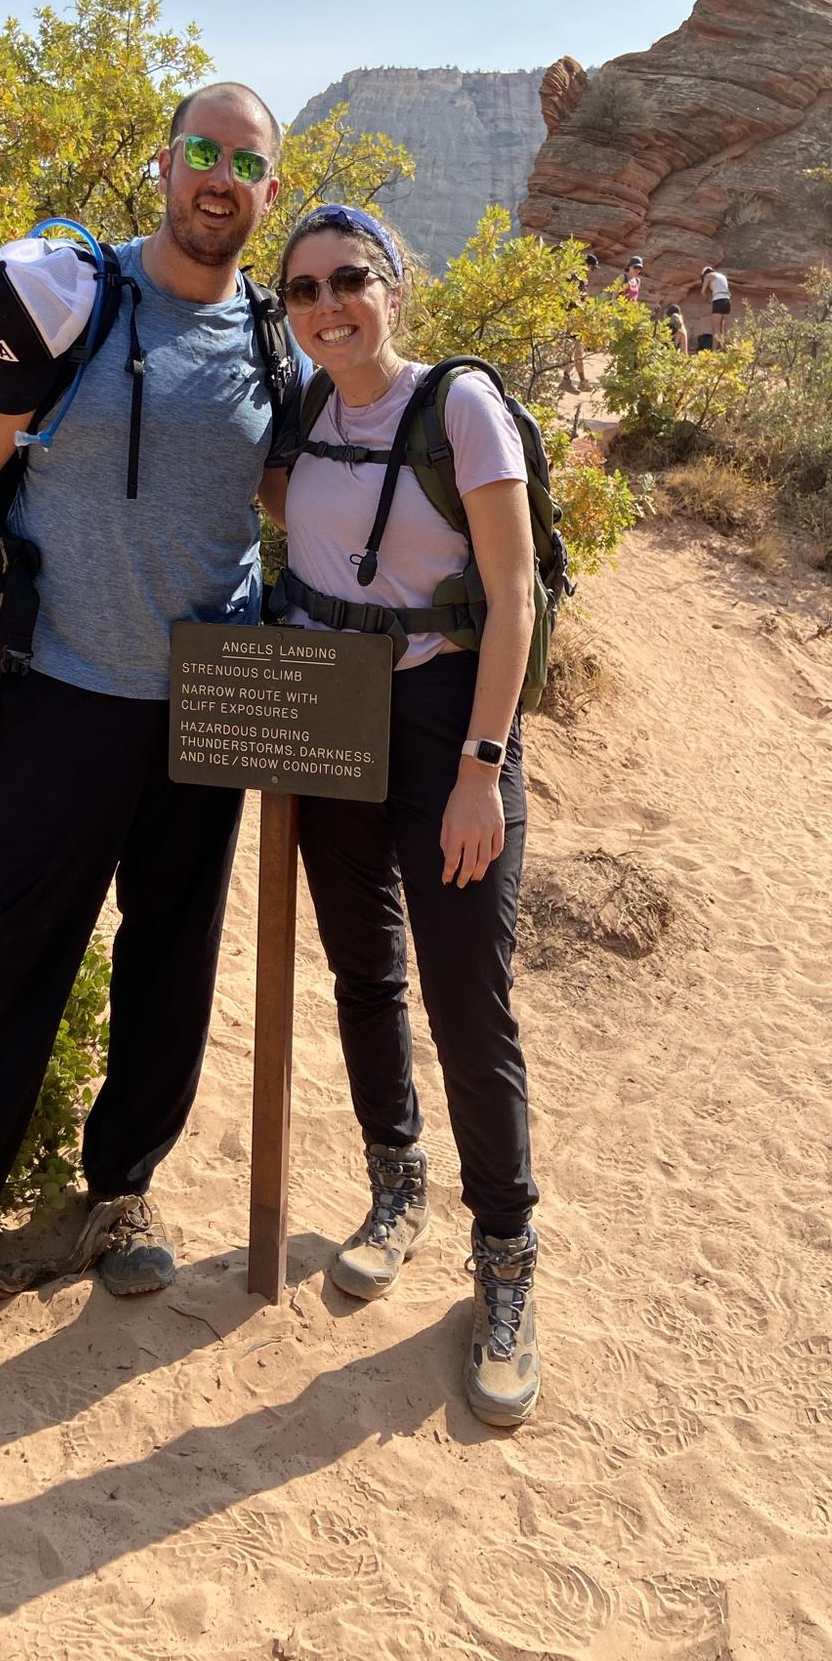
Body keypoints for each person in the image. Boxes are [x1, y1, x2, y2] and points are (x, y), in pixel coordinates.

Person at [0, 82, 296, 1414]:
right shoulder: (66, 299)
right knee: (9, 970)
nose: (220, 177)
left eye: (249, 162)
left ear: (269, 191)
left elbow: (299, 501)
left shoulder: (275, 343)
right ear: (165, 163)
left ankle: (119, 1196)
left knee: (170, 965)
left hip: (210, 701)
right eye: (204, 152)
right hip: (59, 692)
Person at [269, 204, 541, 1428]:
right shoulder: (303, 410)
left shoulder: (459, 409)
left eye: (350, 280)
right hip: (333, 708)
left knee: (466, 994)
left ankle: (506, 1254)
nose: (330, 305)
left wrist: (483, 764)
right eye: (304, 290)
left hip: (446, 721)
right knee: (361, 968)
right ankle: (396, 1180)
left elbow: (517, 589)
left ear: (393, 286)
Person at [560, 249, 597, 393]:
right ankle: (571, 380)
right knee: (574, 349)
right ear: (587, 265)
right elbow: (573, 298)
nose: (592, 271)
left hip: (574, 317)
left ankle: (576, 380)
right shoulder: (576, 277)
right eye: (592, 267)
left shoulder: (578, 277)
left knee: (576, 350)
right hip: (573, 317)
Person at [700, 265, 732, 348]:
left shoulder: (708, 276)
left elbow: (702, 292)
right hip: (727, 301)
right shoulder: (723, 276)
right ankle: (726, 349)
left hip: (718, 300)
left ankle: (714, 351)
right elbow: (729, 292)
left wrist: (708, 300)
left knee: (716, 329)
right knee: (725, 329)